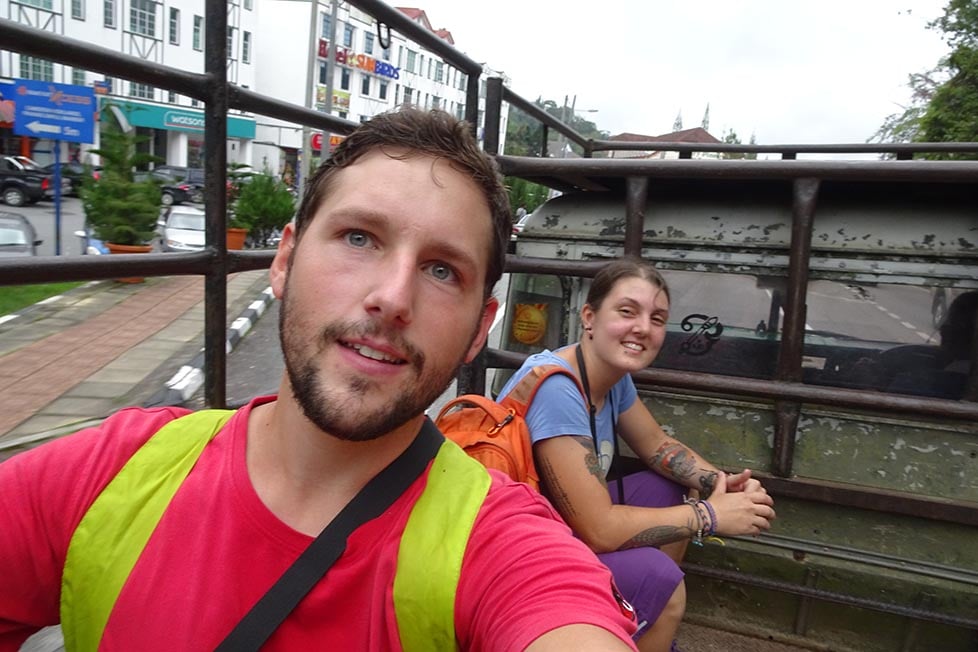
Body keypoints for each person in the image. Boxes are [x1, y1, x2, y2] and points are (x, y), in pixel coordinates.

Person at [0, 109, 639, 651]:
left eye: (443, 271)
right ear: (284, 260)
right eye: (358, 237)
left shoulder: (499, 544)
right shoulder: (112, 473)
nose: (392, 298)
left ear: (480, 329)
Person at [497, 257, 777, 652]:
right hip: (515, 555)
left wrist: (718, 483)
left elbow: (657, 445)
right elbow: (598, 529)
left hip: (559, 523)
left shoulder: (611, 375)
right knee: (663, 581)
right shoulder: (557, 389)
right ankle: (649, 609)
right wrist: (710, 516)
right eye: (627, 312)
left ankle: (639, 616)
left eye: (657, 318)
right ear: (590, 318)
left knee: (669, 486)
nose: (643, 328)